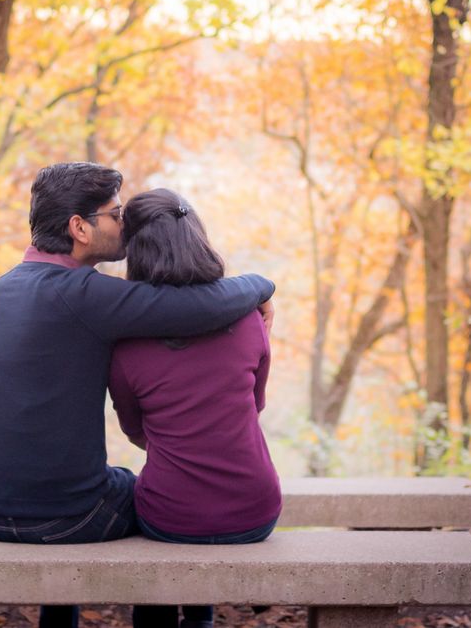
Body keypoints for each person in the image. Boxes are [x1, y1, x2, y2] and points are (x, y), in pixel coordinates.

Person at [0, 163, 276, 628]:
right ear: (79, 228)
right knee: (157, 498)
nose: (124, 226)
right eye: (114, 215)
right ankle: (193, 619)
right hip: (67, 517)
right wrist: (260, 285)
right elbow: (197, 306)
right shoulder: (84, 294)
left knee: (110, 482)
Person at [108, 188, 282, 628]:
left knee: (143, 498)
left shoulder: (126, 344)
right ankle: (201, 618)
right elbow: (254, 405)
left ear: (137, 253)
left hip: (172, 516)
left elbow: (135, 430)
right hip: (254, 510)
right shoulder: (248, 321)